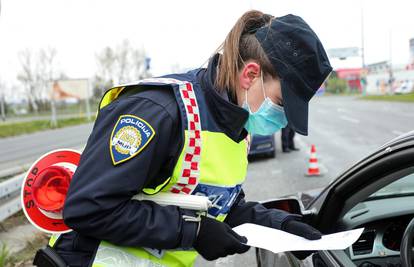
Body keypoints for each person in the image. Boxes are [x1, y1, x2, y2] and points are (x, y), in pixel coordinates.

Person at [35, 10, 332, 267]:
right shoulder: (158, 111)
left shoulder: (235, 126)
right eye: (281, 102)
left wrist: (281, 225)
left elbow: (219, 205)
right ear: (250, 75)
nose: (281, 118)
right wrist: (192, 232)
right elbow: (88, 207)